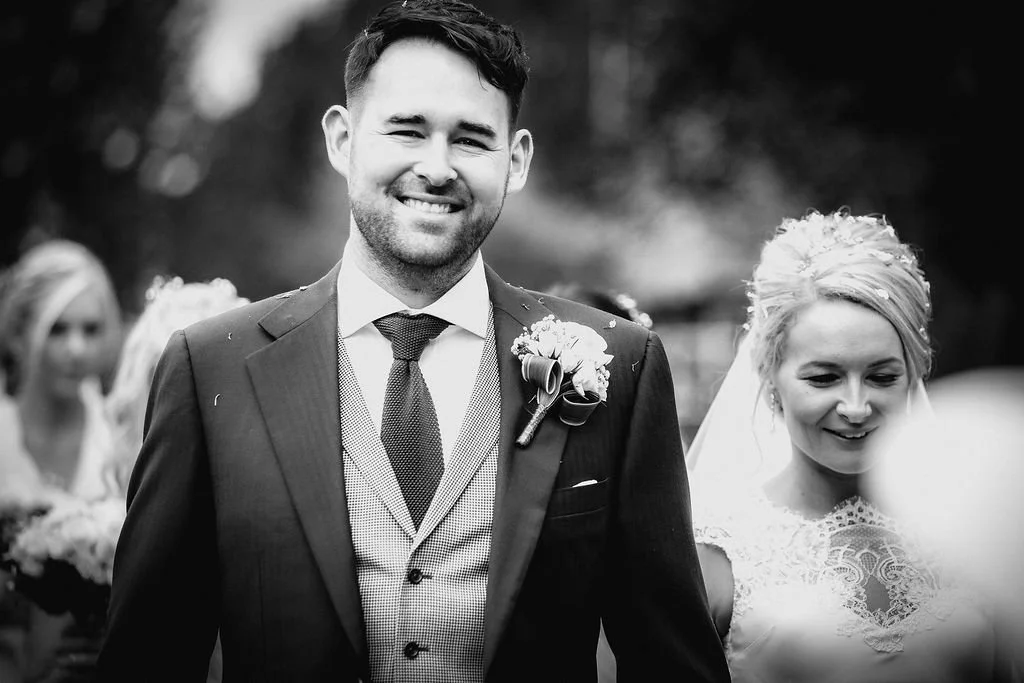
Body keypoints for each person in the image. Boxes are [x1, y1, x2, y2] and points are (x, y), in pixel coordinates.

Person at [97, 1, 729, 682]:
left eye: (471, 138)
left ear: (514, 159)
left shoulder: (621, 364)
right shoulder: (208, 366)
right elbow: (148, 657)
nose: (437, 166)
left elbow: (673, 662)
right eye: (406, 129)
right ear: (342, 139)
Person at [686, 209, 1015, 682]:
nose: (856, 407)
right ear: (770, 378)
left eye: (881, 376)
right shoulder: (717, 552)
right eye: (824, 378)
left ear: (914, 375)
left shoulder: (972, 529)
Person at [0, 239, 123, 682]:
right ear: (20, 332)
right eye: (57, 329)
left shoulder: (120, 439)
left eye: (91, 330)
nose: (76, 348)